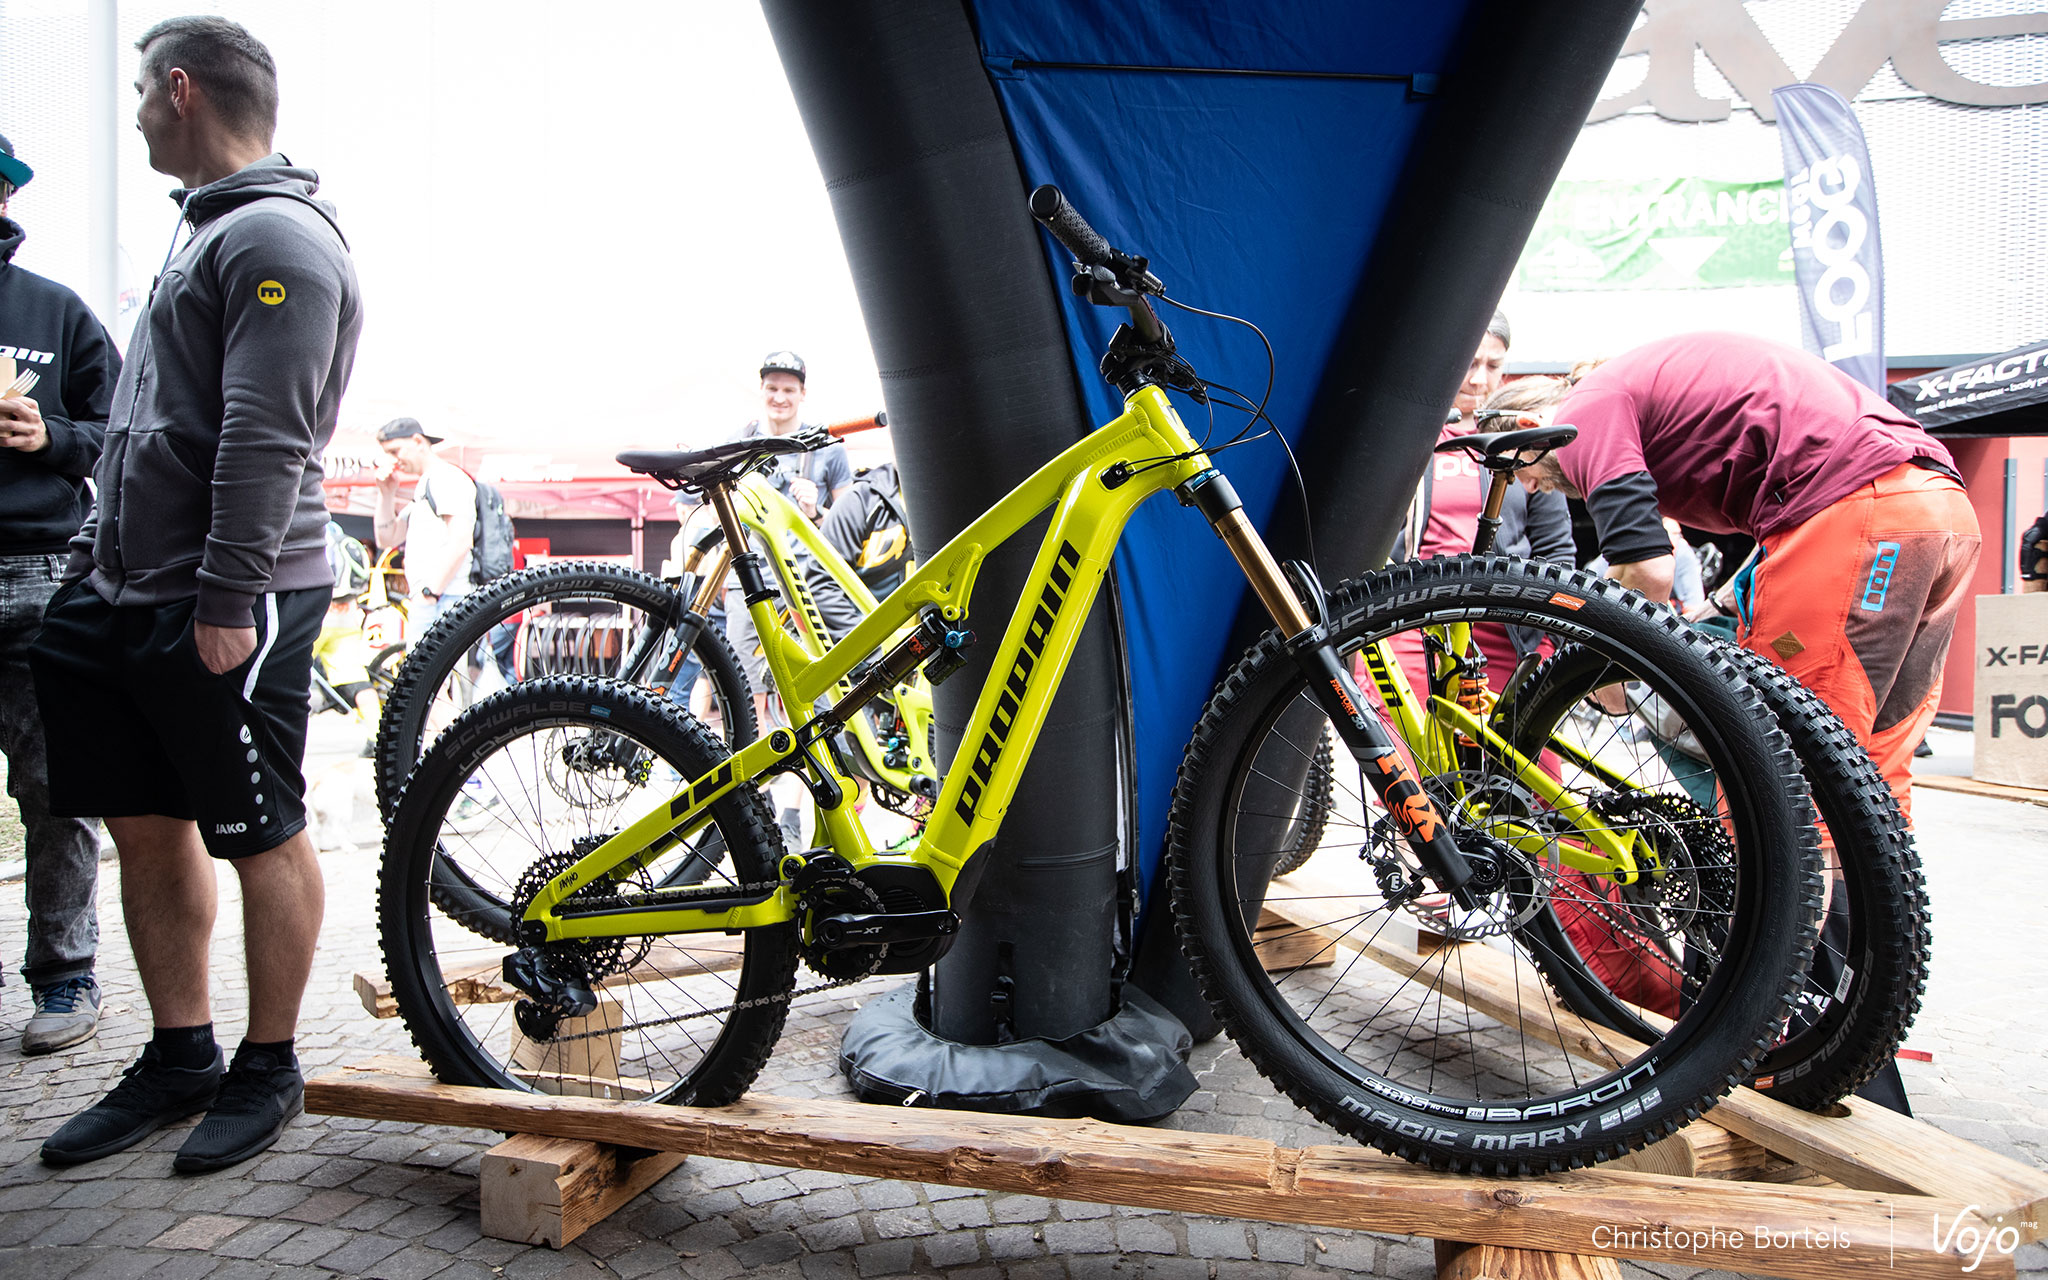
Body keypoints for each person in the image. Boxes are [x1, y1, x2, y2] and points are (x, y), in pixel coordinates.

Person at [28, 15, 363, 1172]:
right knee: (144, 822)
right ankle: (181, 1055)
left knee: (259, 831)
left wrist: (226, 600)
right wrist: (90, 565)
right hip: (120, 590)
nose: (132, 115)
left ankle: (269, 1063)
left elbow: (266, 439)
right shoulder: (204, 229)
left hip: (226, 595)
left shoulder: (278, 238)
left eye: (139, 92)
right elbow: (140, 423)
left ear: (180, 89)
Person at [1513, 332, 1980, 820]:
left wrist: (1600, 668)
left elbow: (1646, 567)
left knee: (1782, 773)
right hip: (1940, 505)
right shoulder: (1650, 388)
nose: (1531, 488)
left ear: (1532, 425)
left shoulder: (1585, 409)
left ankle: (1787, 874)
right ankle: (1876, 874)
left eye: (1519, 469)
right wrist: (1721, 602)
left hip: (1859, 511)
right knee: (1873, 766)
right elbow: (1778, 511)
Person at [0, 133, 122, 1055]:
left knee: (57, 789)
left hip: (38, 575)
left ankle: (66, 976)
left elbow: (119, 432)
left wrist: (50, 438)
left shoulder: (55, 309)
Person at [721, 351, 852, 729]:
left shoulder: (826, 447)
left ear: (803, 393)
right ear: (761, 390)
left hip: (805, 582)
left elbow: (849, 521)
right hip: (745, 578)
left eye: (789, 390)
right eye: (772, 388)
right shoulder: (738, 443)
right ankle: (755, 750)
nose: (780, 397)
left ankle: (814, 752)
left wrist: (816, 510)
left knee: (815, 678)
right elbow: (712, 511)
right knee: (743, 681)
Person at [372, 418, 475, 630]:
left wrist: (430, 593)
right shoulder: (426, 484)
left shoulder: (445, 477)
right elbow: (387, 539)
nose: (393, 460)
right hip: (435, 600)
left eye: (395, 451)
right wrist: (386, 493)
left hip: (446, 599)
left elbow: (461, 540)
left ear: (418, 441)